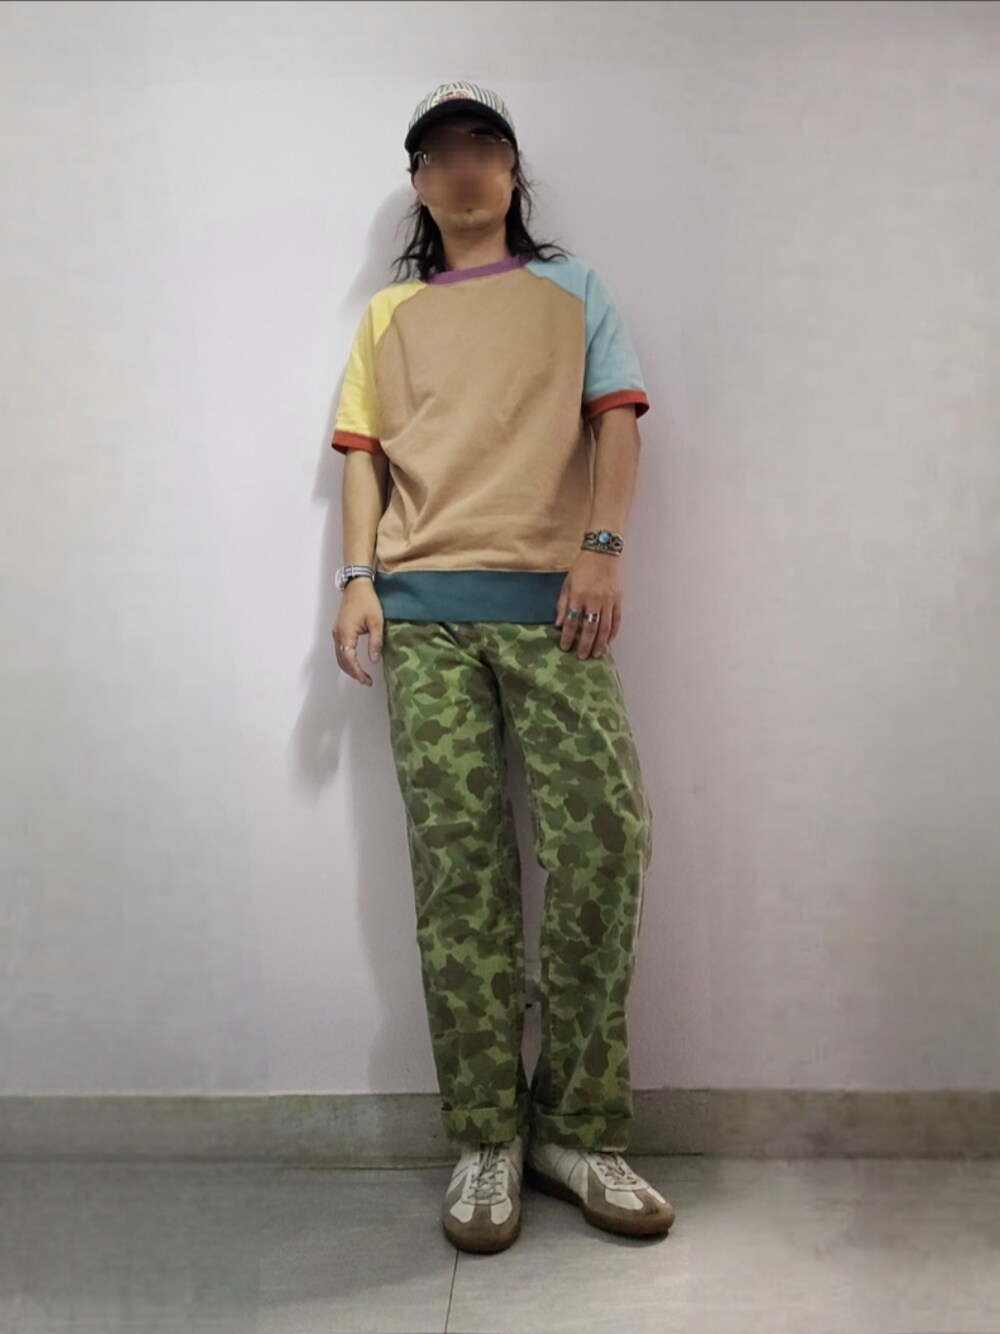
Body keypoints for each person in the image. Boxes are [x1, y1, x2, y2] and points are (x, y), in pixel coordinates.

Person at [331, 81, 675, 1253]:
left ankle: (577, 1126)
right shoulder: (389, 315)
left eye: (484, 145)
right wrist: (357, 577)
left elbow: (616, 419)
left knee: (604, 837)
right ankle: (485, 1132)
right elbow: (363, 455)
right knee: (460, 873)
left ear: (513, 170)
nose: (464, 165)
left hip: (555, 610)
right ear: (419, 184)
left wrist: (602, 549)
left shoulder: (573, 292)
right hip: (423, 620)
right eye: (440, 152)